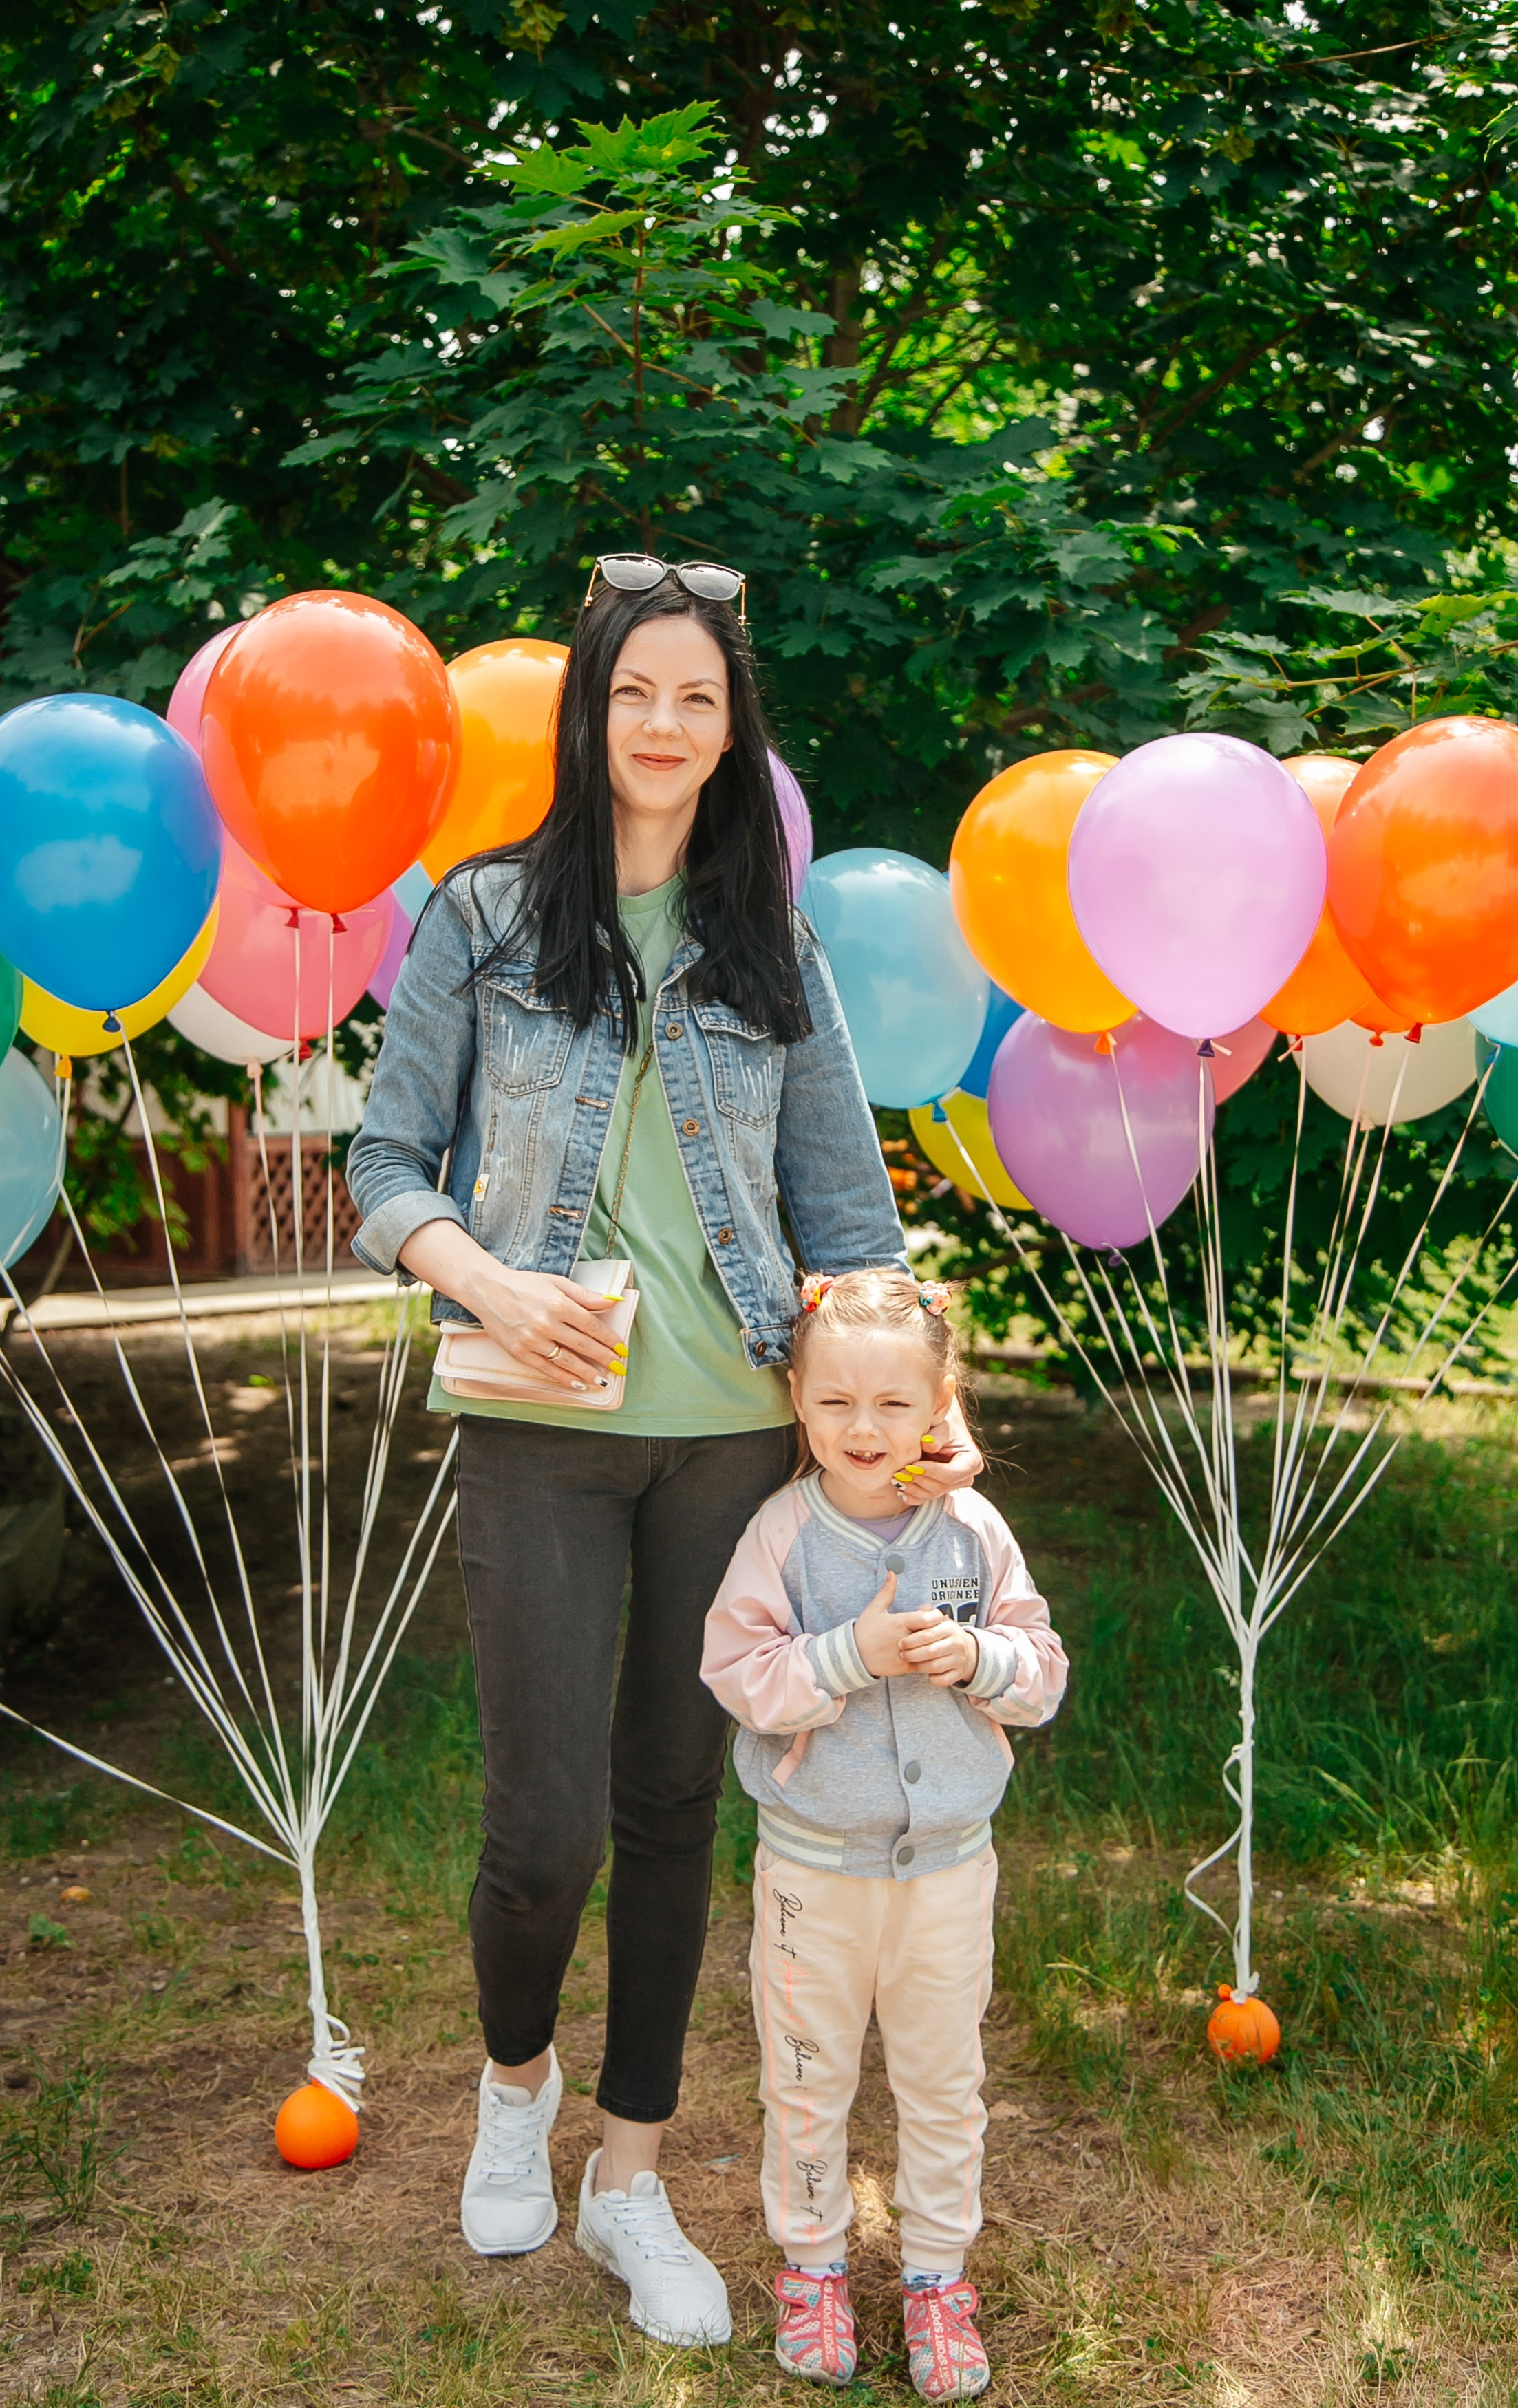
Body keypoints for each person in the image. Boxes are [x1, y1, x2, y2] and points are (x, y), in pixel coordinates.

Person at [345, 556, 982, 2347]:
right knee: (542, 1830)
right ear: (591, 711)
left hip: (731, 1441)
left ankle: (629, 2171)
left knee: (674, 1803)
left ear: (728, 729)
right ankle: (516, 2080)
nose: (662, 722)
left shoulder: (774, 947)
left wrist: (917, 1393)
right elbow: (382, 1163)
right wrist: (483, 1274)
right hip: (534, 1430)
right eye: (635, 690)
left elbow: (847, 1218)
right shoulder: (480, 916)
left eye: (696, 697)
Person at [701, 1267, 1067, 2400]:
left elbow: (1041, 1673)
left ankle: (935, 2278)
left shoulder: (973, 1532)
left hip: (948, 1871)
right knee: (806, 2075)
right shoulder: (781, 1534)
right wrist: (846, 1656)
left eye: (892, 1403)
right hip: (812, 1870)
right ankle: (811, 2267)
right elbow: (736, 1673)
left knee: (942, 2078)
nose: (863, 1429)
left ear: (938, 1404)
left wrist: (982, 1660)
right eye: (835, 1403)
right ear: (797, 1402)